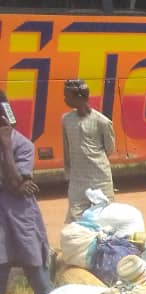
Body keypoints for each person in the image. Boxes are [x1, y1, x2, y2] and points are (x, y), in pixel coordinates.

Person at [0, 91, 51, 294]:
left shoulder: (22, 145)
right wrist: (15, 184)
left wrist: (5, 145)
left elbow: (15, 182)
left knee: (37, 271)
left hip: (21, 217)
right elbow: (15, 184)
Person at [60, 79, 115, 222]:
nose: (65, 99)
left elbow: (109, 149)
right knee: (76, 219)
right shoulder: (66, 120)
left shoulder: (102, 121)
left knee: (104, 217)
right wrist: (69, 174)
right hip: (77, 180)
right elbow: (67, 149)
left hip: (100, 179)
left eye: (67, 96)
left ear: (79, 97)